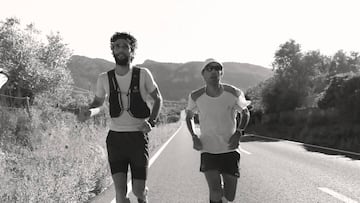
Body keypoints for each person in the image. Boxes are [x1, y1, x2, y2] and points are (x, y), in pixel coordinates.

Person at [78, 32, 163, 203]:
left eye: (125, 46)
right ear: (113, 51)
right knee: (120, 194)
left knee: (138, 191)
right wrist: (90, 112)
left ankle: (142, 195)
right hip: (115, 139)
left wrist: (151, 122)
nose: (120, 49)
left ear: (132, 51)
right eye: (117, 46)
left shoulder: (143, 74)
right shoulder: (104, 78)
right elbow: (98, 103)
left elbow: (158, 98)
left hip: (138, 138)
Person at [185, 58, 250, 203]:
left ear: (222, 73)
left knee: (229, 196)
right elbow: (189, 116)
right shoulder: (196, 96)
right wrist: (194, 136)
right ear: (203, 74)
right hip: (208, 149)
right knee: (215, 190)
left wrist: (238, 132)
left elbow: (245, 112)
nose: (214, 71)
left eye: (217, 68)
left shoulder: (234, 92)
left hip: (230, 149)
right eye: (209, 68)